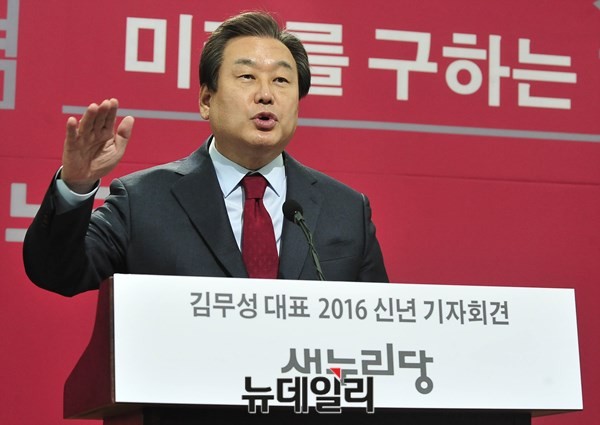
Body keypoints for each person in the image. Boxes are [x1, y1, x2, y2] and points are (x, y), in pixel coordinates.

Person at [23, 11, 388, 297]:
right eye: (247, 77)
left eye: (281, 80)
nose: (266, 94)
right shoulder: (143, 201)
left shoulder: (346, 211)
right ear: (206, 99)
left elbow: (378, 325)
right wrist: (76, 185)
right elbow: (58, 273)